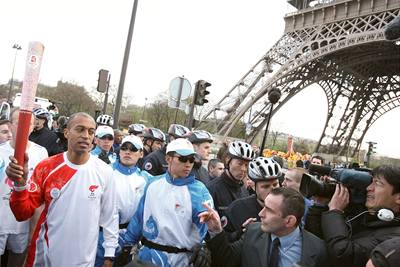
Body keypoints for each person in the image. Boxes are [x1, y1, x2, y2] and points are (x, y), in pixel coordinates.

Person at [6, 112, 119, 267]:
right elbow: (21, 213)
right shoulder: (47, 167)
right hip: (44, 257)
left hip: (83, 260)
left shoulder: (105, 172)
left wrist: (109, 254)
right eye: (80, 129)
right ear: (66, 133)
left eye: (91, 132)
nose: (86, 135)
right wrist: (20, 184)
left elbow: (110, 216)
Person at [118, 138, 213, 267]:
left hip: (179, 260)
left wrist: (204, 246)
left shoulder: (199, 191)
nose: (188, 164)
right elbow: (139, 218)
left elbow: (208, 226)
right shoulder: (152, 183)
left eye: (192, 159)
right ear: (168, 159)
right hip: (146, 257)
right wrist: (127, 244)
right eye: (183, 159)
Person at [200, 187, 329, 267]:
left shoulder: (318, 250)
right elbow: (227, 260)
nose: (261, 214)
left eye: (269, 210)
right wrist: (216, 230)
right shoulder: (253, 232)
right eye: (264, 207)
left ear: (289, 221)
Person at [305, 165, 400, 267]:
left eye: (377, 183)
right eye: (371, 182)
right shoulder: (362, 213)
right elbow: (317, 238)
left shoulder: (395, 237)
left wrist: (335, 212)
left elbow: (344, 255)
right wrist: (321, 205)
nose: (369, 188)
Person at [0, 108, 48, 267]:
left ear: (33, 126)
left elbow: (41, 194)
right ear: (11, 125)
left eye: (28, 124)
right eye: (19, 123)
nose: (24, 127)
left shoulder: (41, 153)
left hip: (23, 223)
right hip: (0, 219)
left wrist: (35, 228)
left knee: (17, 262)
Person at [95, 135, 150, 267]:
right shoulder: (106, 172)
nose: (127, 152)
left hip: (129, 239)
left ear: (141, 153)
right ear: (119, 151)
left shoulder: (146, 179)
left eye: (133, 149)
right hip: (101, 235)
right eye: (124, 148)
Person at [225, 157, 281, 236]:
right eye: (265, 186)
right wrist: (241, 232)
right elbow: (225, 241)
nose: (272, 190)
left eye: (275, 184)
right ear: (253, 186)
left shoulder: (286, 208)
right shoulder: (236, 209)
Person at [207, 140, 256, 218]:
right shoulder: (212, 189)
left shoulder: (243, 188)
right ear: (228, 160)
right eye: (239, 163)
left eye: (246, 165)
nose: (243, 169)